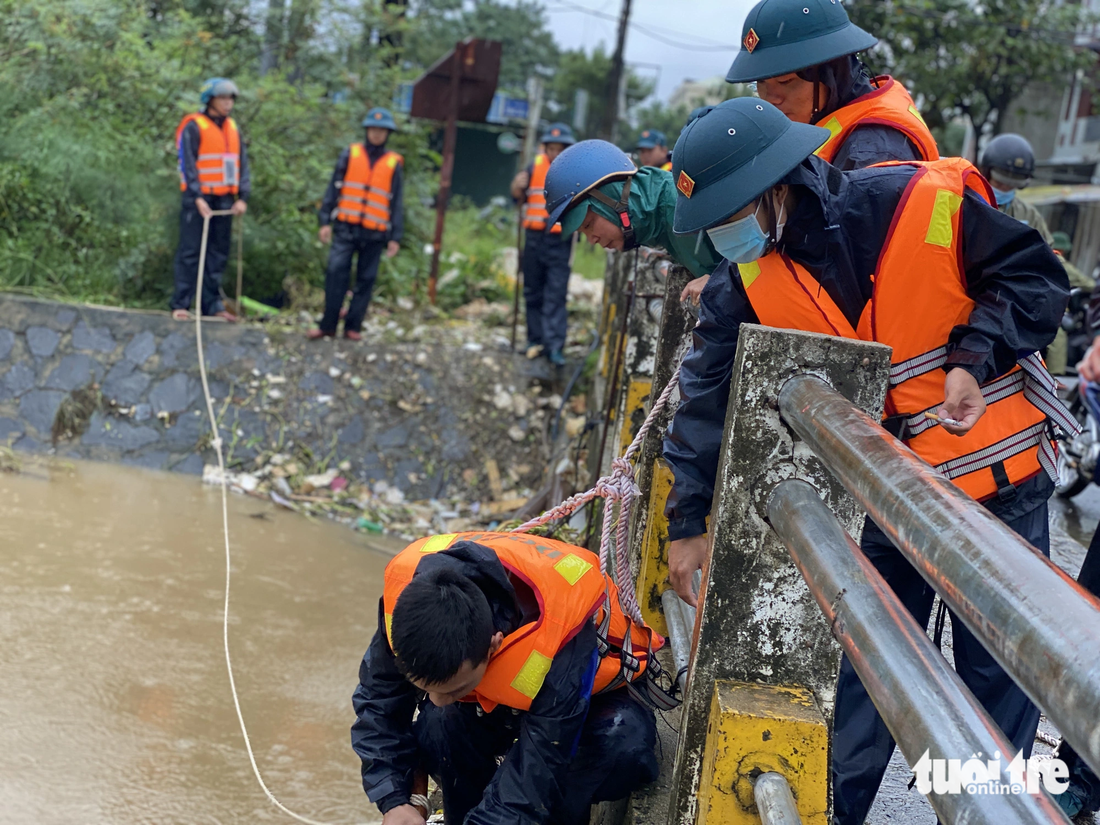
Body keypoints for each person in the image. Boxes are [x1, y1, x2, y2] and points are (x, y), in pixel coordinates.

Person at [662, 98, 1071, 825]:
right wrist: (685, 519)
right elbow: (702, 397)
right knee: (866, 689)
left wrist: (975, 357)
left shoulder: (922, 203)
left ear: (776, 187)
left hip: (996, 492)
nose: (724, 237)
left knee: (996, 705)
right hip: (883, 506)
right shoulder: (746, 284)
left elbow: (1035, 282)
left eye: (731, 212)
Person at [351, 532, 667, 824]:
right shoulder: (409, 608)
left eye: (455, 688)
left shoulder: (562, 630)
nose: (436, 700)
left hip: (582, 700)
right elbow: (378, 705)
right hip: (498, 704)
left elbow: (545, 755)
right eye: (425, 689)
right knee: (438, 726)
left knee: (619, 748)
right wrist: (394, 800)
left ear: (494, 645)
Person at [727, 0, 938, 171]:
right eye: (760, 83)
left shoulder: (871, 153)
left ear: (833, 73)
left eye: (785, 81)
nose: (771, 99)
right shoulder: (829, 120)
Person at [543, 139, 721, 286]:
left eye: (589, 225)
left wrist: (719, 282)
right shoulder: (655, 219)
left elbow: (745, 260)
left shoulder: (680, 206)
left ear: (612, 197)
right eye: (583, 232)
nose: (592, 239)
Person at [309, 107, 404, 341]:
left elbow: (397, 201)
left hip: (375, 231)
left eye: (382, 130)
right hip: (345, 226)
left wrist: (395, 236)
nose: (377, 134)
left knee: (366, 279)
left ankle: (353, 326)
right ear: (367, 130)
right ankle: (328, 325)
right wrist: (325, 221)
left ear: (387, 133)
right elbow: (333, 188)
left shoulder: (394, 163)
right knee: (335, 271)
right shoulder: (350, 154)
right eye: (373, 129)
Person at [172, 77, 250, 322]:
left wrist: (242, 197)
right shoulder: (194, 126)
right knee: (191, 251)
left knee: (218, 254)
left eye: (230, 99)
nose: (228, 104)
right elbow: (187, 164)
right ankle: (181, 303)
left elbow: (242, 165)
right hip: (199, 199)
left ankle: (211, 304)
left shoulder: (233, 128)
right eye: (223, 98)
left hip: (225, 200)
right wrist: (196, 197)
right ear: (210, 100)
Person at [510, 123, 577, 366]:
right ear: (545, 148)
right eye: (551, 148)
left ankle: (554, 347)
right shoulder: (533, 167)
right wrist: (517, 187)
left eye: (560, 149)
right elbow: (517, 196)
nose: (555, 153)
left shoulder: (575, 171)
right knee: (532, 290)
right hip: (534, 238)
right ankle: (533, 340)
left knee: (556, 294)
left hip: (560, 240)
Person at [978, 133, 1054, 244]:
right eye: (999, 183)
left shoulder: (1029, 215)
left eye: (1011, 186)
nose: (1004, 188)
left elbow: (1049, 252)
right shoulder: (966, 204)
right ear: (986, 174)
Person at [1046, 231, 1094, 375]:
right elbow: (1085, 282)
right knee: (1057, 336)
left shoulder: (1041, 256)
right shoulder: (1056, 259)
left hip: (1037, 304)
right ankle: (1055, 374)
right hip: (1047, 308)